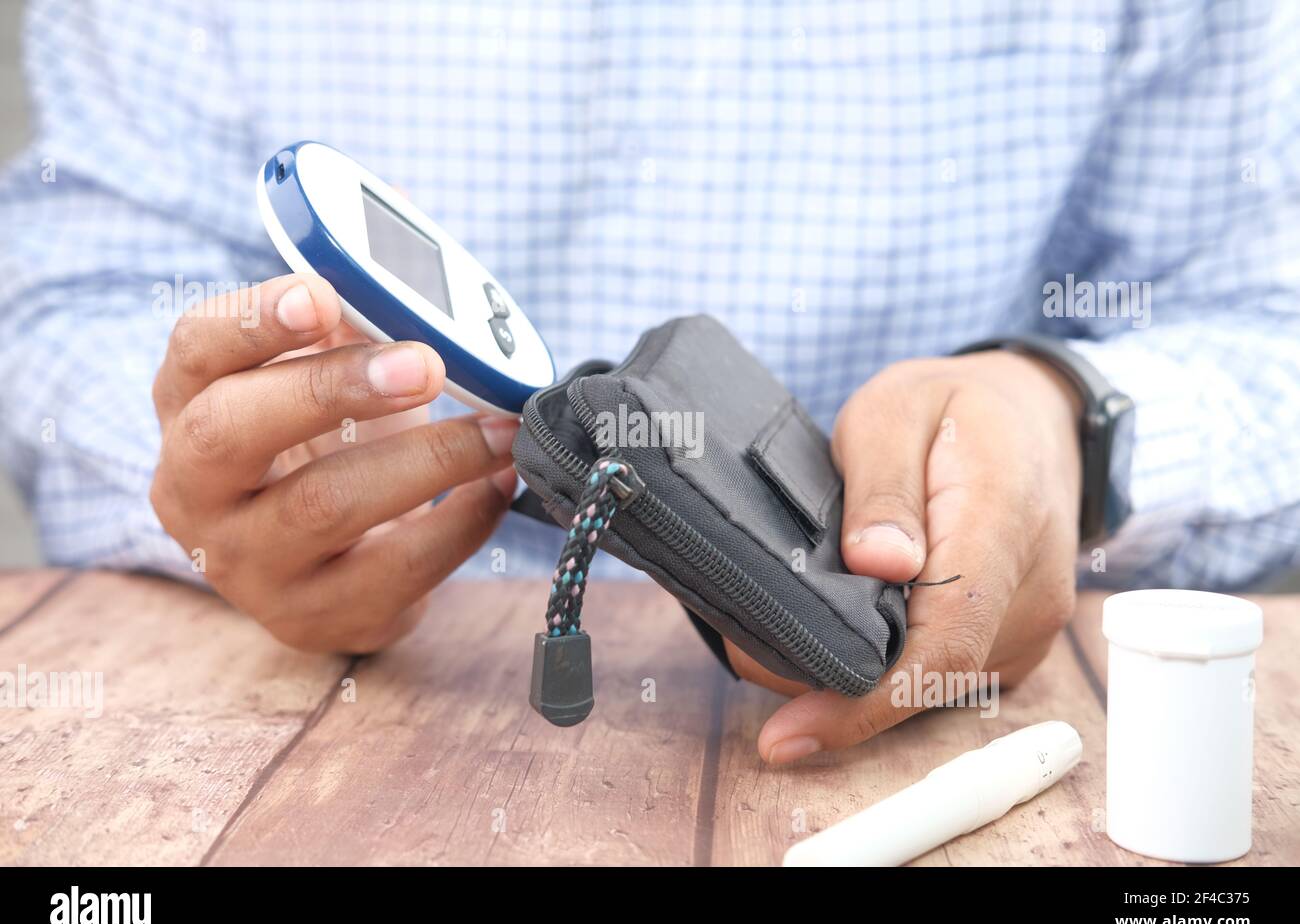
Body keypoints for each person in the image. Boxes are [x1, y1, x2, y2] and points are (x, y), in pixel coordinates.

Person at [2, 1, 1297, 765]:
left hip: (972, 709)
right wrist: (214, 463)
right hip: (352, 714)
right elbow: (74, 287)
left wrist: (1076, 417)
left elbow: (1267, 306)